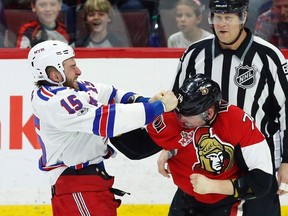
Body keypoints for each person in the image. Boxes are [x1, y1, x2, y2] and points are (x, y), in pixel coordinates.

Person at [27, 40, 178, 216]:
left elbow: (112, 94)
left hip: (89, 185)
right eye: (72, 67)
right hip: (77, 188)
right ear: (55, 75)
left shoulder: (75, 88)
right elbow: (109, 121)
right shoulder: (55, 102)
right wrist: (159, 108)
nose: (78, 71)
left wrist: (146, 101)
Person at [171, 0, 288, 215]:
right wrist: (167, 148)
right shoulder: (194, 55)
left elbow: (286, 112)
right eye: (217, 17)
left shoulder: (268, 57)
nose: (222, 24)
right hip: (205, 161)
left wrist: (287, 161)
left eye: (229, 17)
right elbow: (176, 107)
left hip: (255, 165)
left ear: (243, 17)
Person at [148, 74, 273, 215]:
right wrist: (170, 148)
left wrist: (215, 186)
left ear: (208, 112)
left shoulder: (237, 122)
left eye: (187, 114)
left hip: (223, 203)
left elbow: (262, 182)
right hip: (184, 198)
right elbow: (134, 147)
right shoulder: (180, 115)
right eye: (179, 112)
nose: (181, 118)